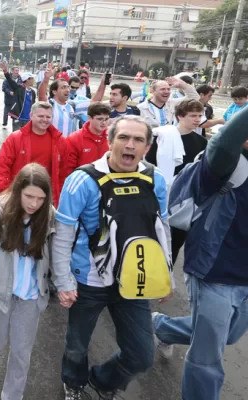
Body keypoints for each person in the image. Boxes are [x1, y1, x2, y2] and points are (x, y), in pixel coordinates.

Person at [52, 116, 170, 399]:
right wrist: (63, 281)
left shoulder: (156, 180)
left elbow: (161, 229)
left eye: (138, 140)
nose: (130, 145)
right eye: (123, 138)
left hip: (134, 279)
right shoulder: (81, 180)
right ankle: (74, 382)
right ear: (110, 141)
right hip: (89, 281)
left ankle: (102, 381)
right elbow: (63, 235)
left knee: (142, 355)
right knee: (77, 345)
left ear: (147, 147)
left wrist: (166, 275)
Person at [152, 105, 248, 400]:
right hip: (214, 272)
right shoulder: (226, 165)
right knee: (208, 356)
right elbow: (223, 141)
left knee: (228, 336)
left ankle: (161, 327)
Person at [0, 163, 55, 400]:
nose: (34, 204)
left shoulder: (48, 215)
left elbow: (56, 254)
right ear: (18, 191)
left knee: (20, 355)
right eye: (29, 196)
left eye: (40, 198)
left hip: (30, 300)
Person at [145, 99, 207, 264]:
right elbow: (150, 166)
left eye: (200, 115)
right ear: (179, 116)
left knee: (175, 242)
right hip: (157, 194)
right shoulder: (161, 136)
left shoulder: (202, 142)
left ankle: (166, 274)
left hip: (184, 199)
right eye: (193, 115)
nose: (197, 119)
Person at [0, 102, 66, 206]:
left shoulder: (59, 141)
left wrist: (61, 195)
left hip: (46, 198)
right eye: (41, 116)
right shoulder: (15, 138)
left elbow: (64, 171)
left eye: (48, 117)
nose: (45, 120)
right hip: (19, 195)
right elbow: (2, 166)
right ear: (31, 115)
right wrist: (2, 191)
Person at [63, 102, 112, 177]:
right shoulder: (74, 139)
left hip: (108, 183)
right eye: (100, 119)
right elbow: (68, 169)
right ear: (89, 118)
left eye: (106, 119)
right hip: (83, 182)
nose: (104, 122)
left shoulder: (112, 137)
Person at [0, 62, 35, 131]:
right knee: (16, 137)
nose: (33, 80)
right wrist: (5, 71)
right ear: (27, 80)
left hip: (28, 119)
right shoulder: (19, 88)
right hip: (18, 118)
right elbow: (10, 81)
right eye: (32, 79)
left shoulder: (33, 92)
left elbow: (34, 105)